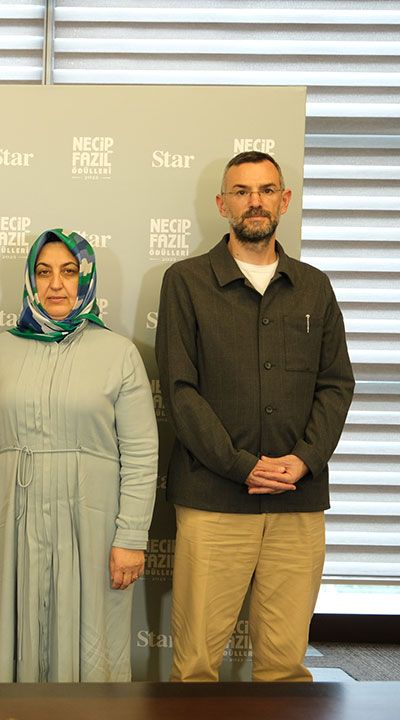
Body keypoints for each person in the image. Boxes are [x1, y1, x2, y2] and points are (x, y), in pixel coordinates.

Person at [157, 151, 354, 682]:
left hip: (298, 499)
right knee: (196, 667)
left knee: (285, 667)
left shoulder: (314, 287)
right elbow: (180, 391)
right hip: (213, 498)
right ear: (223, 204)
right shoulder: (186, 281)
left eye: (266, 190)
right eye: (242, 192)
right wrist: (241, 465)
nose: (255, 202)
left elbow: (336, 384)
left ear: (284, 200)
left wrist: (303, 460)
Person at [0, 229, 157, 682]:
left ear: (87, 278)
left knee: (92, 642)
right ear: (31, 280)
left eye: (69, 271)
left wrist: (131, 536)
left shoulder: (119, 354)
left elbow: (142, 453)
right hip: (9, 519)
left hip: (92, 523)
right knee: (10, 635)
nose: (57, 284)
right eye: (44, 272)